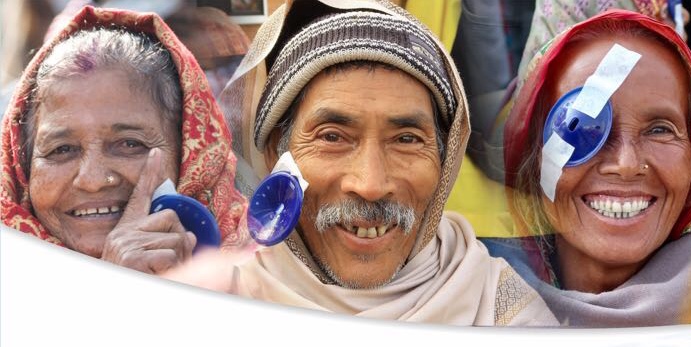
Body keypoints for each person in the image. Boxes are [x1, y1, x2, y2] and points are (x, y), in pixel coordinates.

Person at [226, 0, 556, 326]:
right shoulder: (220, 299)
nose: (370, 185)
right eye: (332, 137)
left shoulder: (503, 311)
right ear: (274, 154)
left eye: (407, 140)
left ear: (446, 159)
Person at [485, 10, 691, 327]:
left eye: (659, 130)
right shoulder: (471, 297)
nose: (626, 165)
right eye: (582, 126)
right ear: (532, 157)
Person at [0, 6, 247, 273]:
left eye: (130, 144)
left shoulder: (267, 280)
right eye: (62, 149)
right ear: (22, 169)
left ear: (191, 152)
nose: (92, 181)